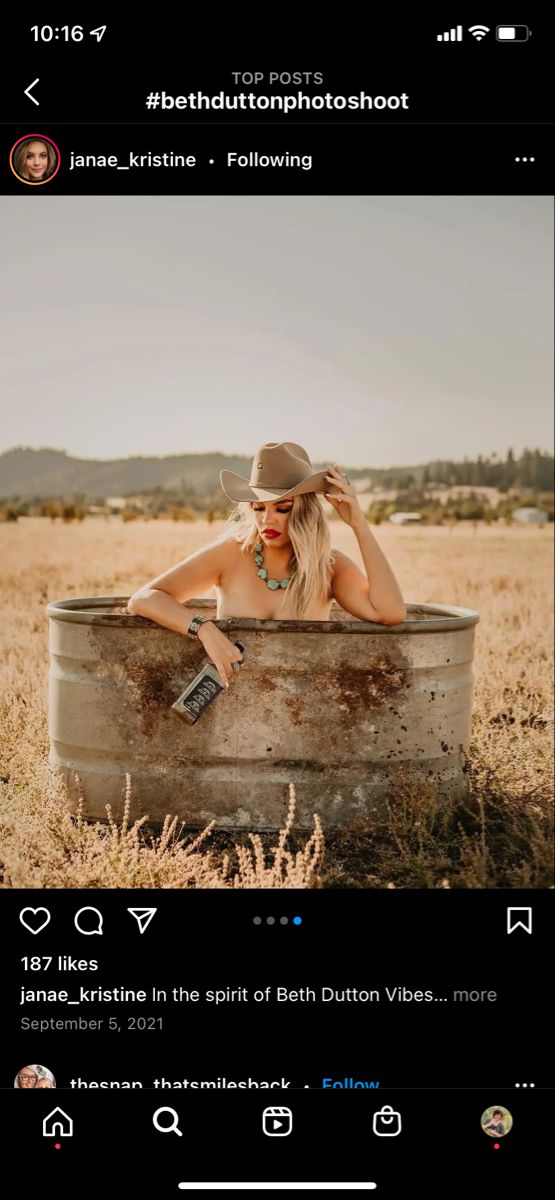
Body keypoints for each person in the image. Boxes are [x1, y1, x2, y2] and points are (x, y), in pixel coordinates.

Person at [128, 442, 406, 689]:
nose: (266, 520)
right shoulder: (231, 553)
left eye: (282, 508)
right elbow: (143, 599)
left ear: (305, 510)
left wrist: (359, 525)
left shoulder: (329, 567)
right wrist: (204, 630)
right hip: (231, 718)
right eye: (259, 508)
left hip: (306, 716)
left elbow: (389, 613)